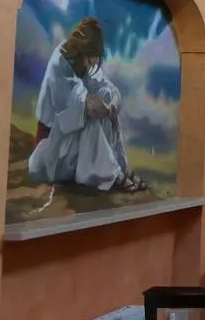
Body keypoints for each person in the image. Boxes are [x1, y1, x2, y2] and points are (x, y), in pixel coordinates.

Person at [27, 17, 150, 193]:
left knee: (104, 98)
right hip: (51, 142)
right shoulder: (60, 63)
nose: (93, 62)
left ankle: (120, 168)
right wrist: (104, 110)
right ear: (82, 48)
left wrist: (113, 103)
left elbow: (106, 87)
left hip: (68, 139)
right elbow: (80, 103)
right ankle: (111, 173)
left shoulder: (82, 62)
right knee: (90, 113)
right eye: (91, 56)